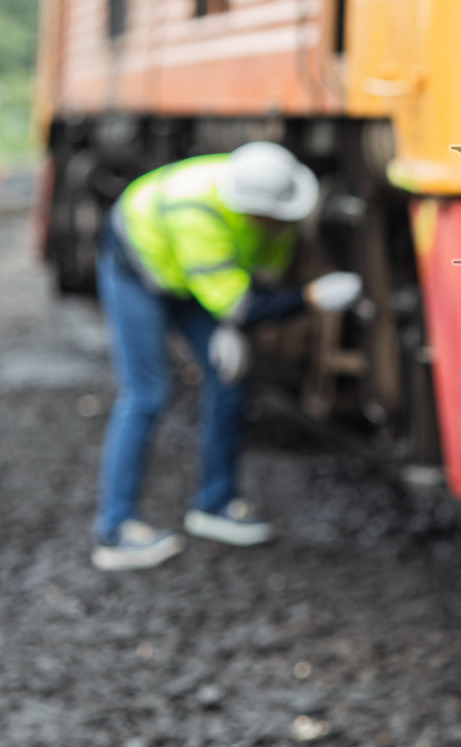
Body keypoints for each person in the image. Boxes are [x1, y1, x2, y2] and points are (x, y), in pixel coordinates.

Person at [91, 141, 363, 571]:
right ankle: (114, 531)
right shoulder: (197, 216)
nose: (277, 225)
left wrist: (232, 326)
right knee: (146, 393)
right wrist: (310, 297)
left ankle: (214, 505)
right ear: (252, 211)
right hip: (139, 268)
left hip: (194, 274)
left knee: (231, 377)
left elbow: (261, 278)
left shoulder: (270, 204)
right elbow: (242, 304)